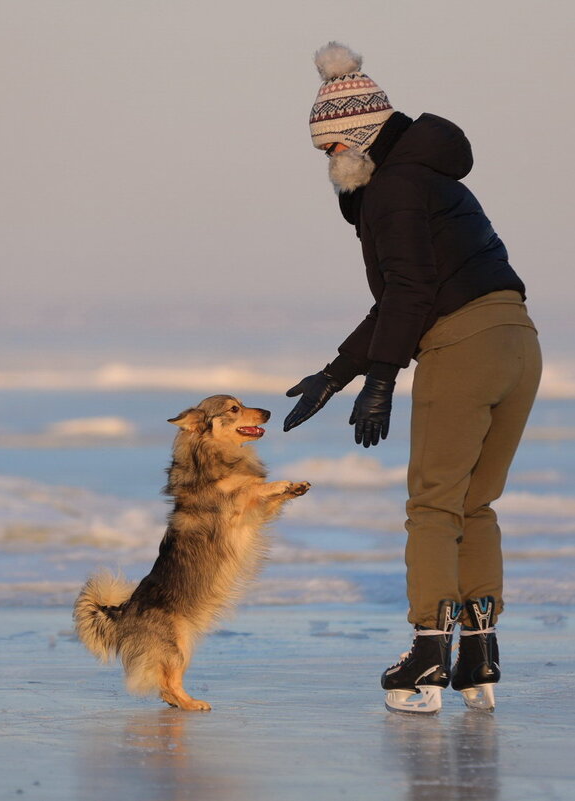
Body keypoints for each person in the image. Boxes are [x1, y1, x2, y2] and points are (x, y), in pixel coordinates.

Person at [283, 42, 542, 714]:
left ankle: (427, 658)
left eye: (329, 147)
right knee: (473, 502)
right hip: (517, 340)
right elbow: (409, 293)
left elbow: (409, 291)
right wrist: (338, 372)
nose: (326, 162)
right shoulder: (430, 178)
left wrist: (381, 380)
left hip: (461, 343)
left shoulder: (393, 189)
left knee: (431, 504)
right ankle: (478, 654)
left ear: (358, 137)